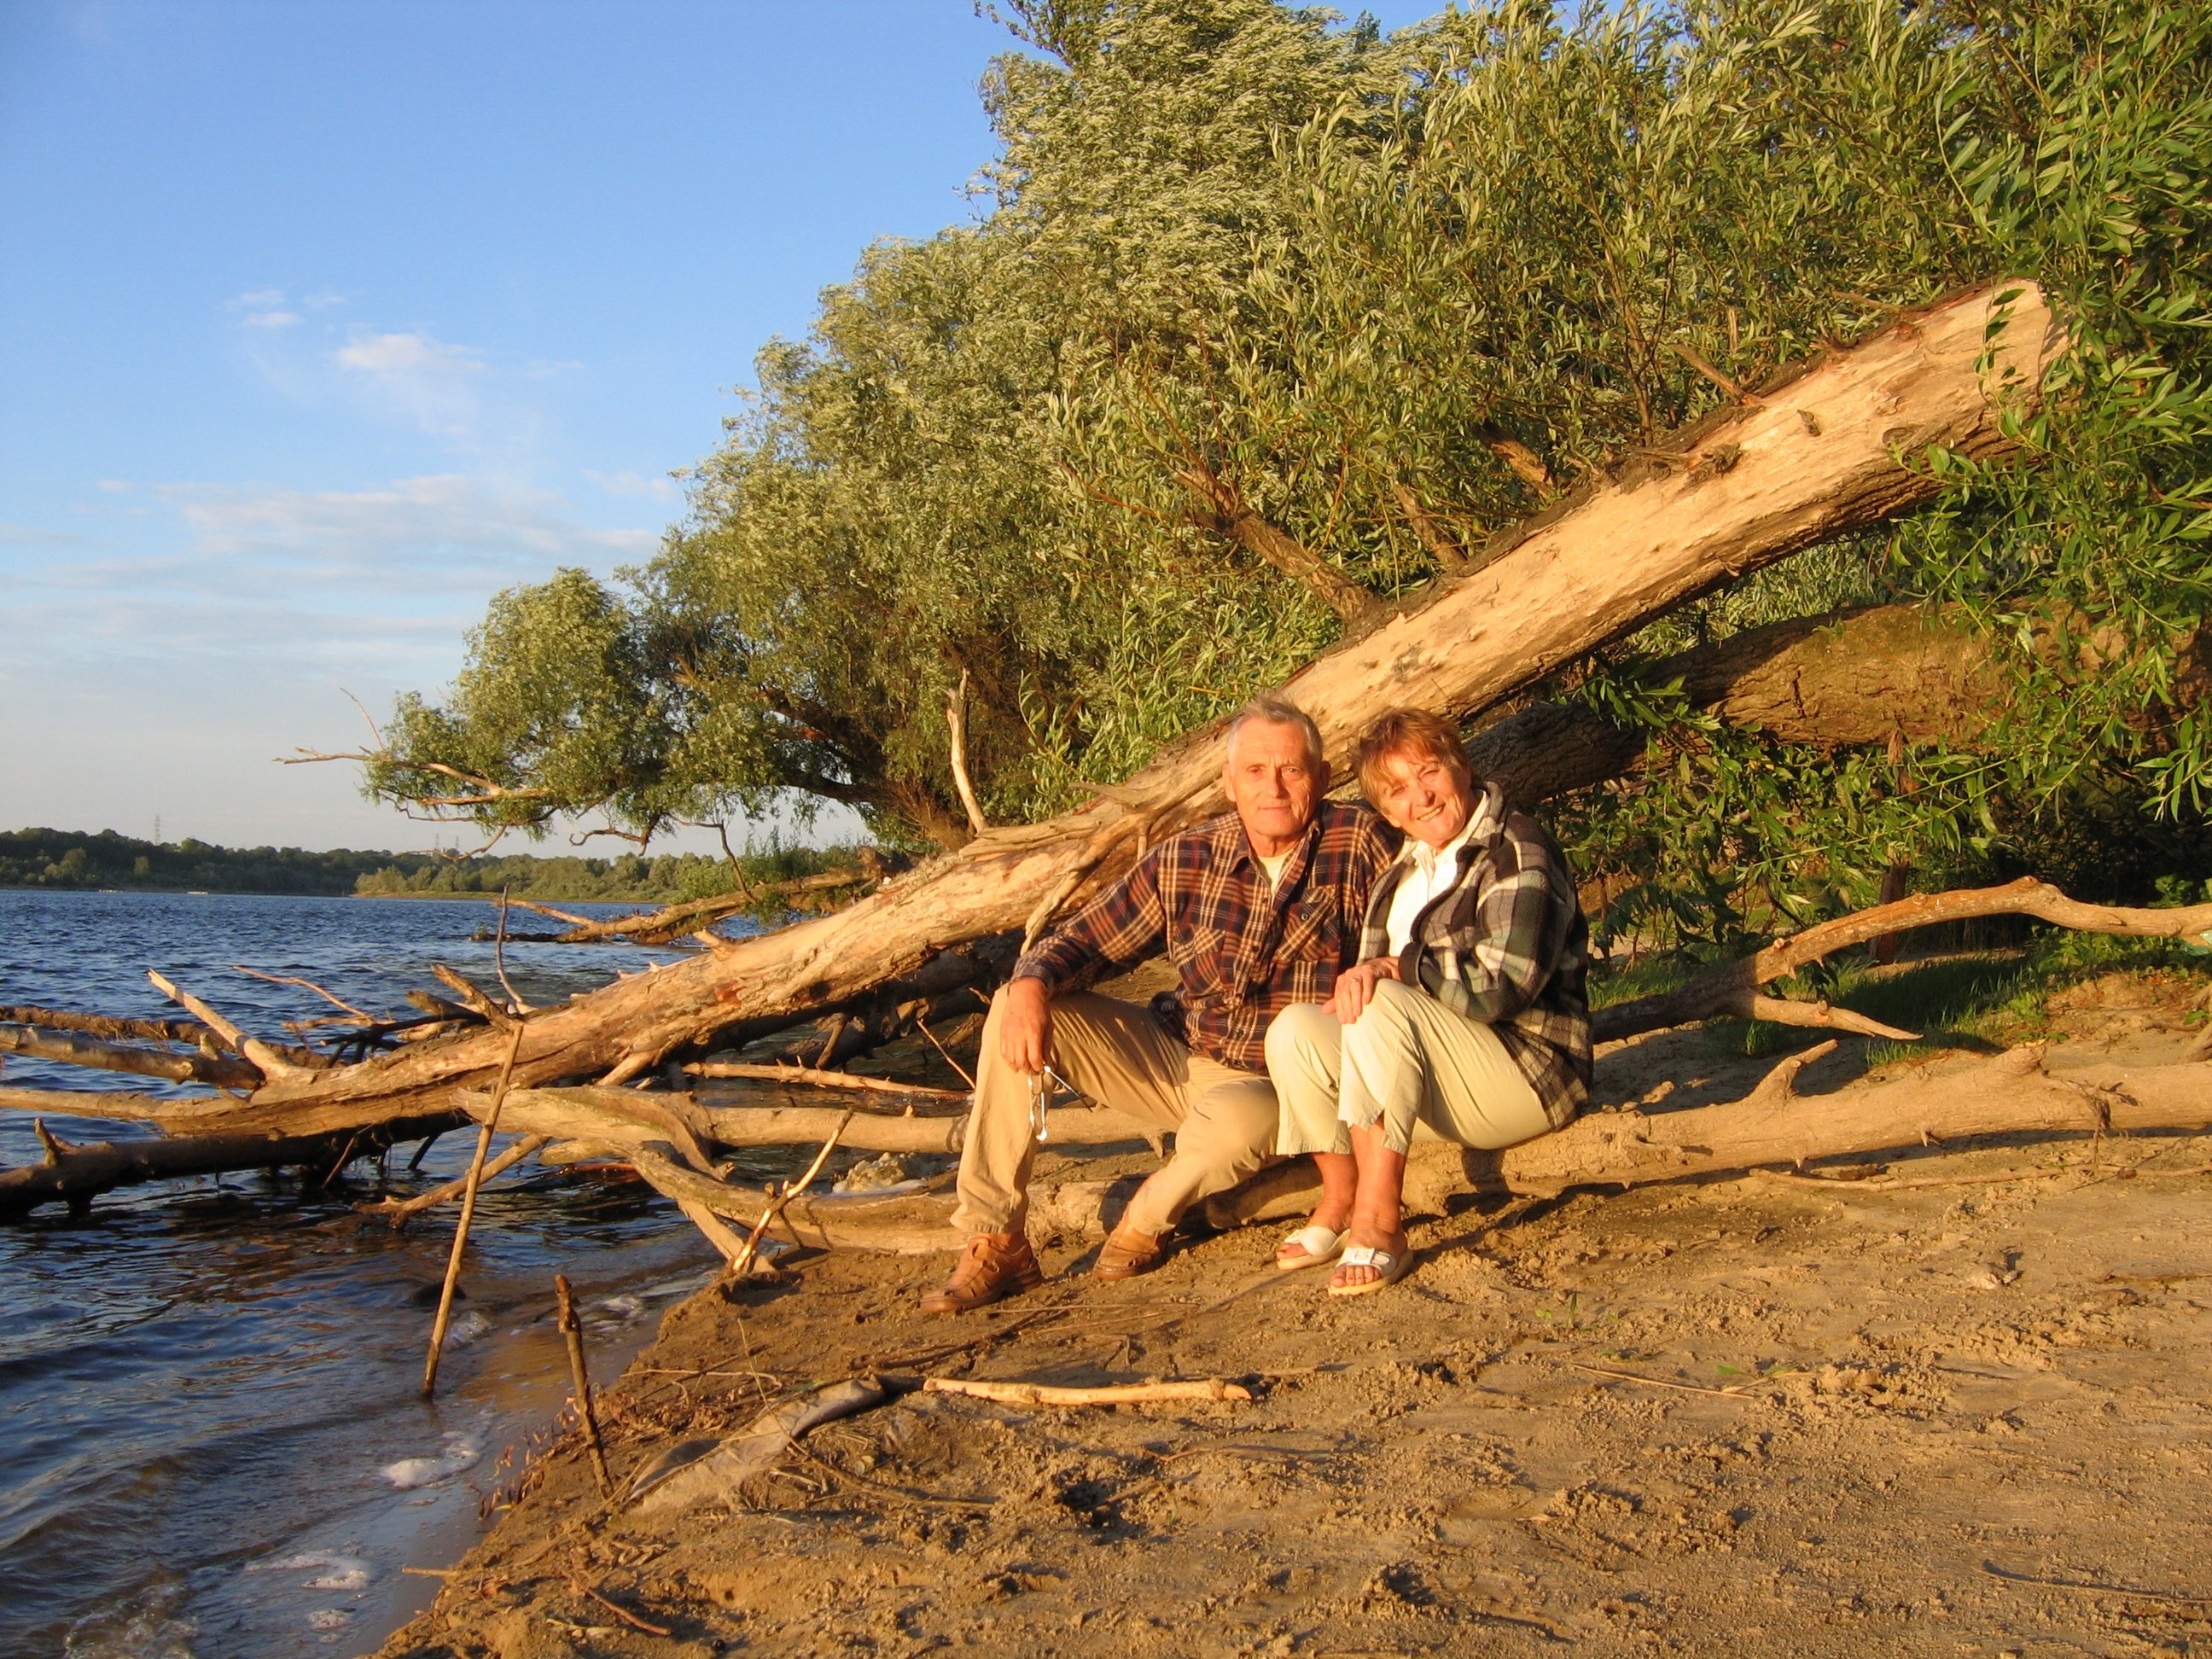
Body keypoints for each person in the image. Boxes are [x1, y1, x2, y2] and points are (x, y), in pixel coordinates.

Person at [920, 695, 1398, 1314]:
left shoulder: (1359, 842)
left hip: (1277, 1084)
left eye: (1290, 770)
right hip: (1173, 1052)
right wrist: (1033, 981)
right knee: (1020, 1001)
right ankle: (997, 1236)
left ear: (1321, 777)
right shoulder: (1186, 856)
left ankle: (1148, 1215)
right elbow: (1089, 939)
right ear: (1228, 783)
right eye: (1254, 771)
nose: (1272, 788)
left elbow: (1412, 945)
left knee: (1240, 1123)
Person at [1264, 707, 1591, 1295]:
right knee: (1295, 1028)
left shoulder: (1516, 848)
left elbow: (1502, 989)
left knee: (1380, 997)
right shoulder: (1400, 874)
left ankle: (1381, 1222)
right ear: (1387, 811)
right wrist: (1372, 977)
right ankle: (1340, 1199)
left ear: (1461, 768)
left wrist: (1403, 966)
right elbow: (1369, 995)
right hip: (1441, 1080)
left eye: (1430, 772)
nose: (1423, 796)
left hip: (1528, 1073)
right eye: (1399, 790)